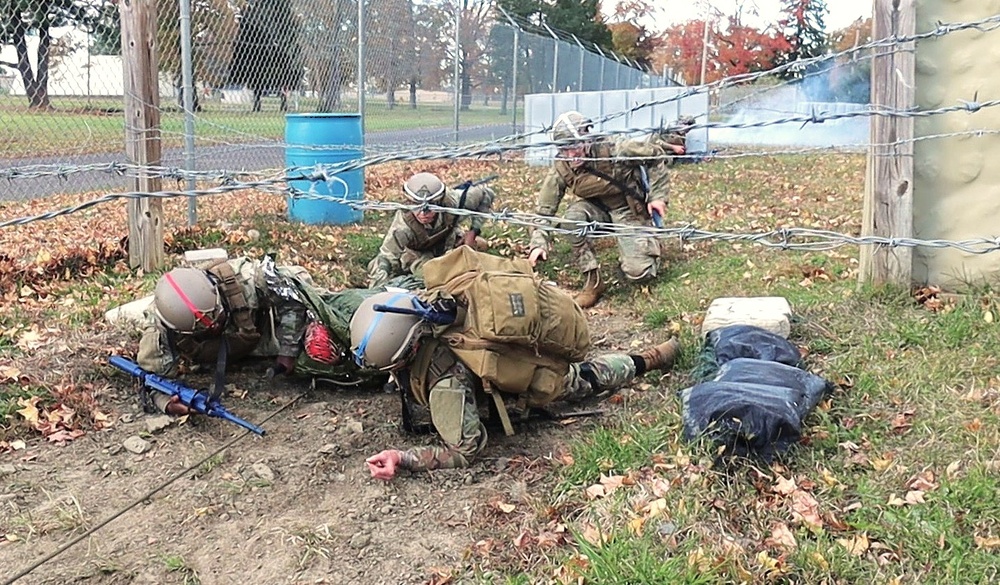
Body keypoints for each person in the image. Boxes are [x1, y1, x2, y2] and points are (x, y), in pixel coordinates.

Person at [353, 291, 681, 480]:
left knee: (582, 378)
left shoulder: (445, 382)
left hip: (528, 374)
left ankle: (647, 359)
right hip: (503, 354)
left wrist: (403, 457)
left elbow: (467, 449)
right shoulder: (429, 311)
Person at [137, 256, 418, 414]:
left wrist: (288, 349)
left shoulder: (246, 279)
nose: (214, 324)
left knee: (324, 345)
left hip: (270, 330)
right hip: (236, 351)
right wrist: (167, 403)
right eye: (204, 327)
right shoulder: (159, 328)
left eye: (217, 315)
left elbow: (294, 299)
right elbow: (152, 377)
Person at [527, 110, 685, 309]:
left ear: (586, 136)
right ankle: (592, 281)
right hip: (596, 210)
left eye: (574, 146)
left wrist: (657, 197)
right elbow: (544, 211)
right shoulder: (561, 167)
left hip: (627, 208)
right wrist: (538, 243)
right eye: (563, 149)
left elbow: (655, 156)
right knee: (572, 218)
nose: (570, 155)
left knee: (639, 273)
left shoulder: (616, 147)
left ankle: (647, 245)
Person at [367, 172, 495, 288]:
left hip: (449, 242)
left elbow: (486, 194)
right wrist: (379, 288)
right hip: (418, 254)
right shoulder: (403, 227)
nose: (423, 213)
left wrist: (473, 232)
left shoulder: (454, 202)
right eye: (416, 206)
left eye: (430, 207)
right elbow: (386, 257)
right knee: (434, 276)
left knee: (481, 245)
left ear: (440, 201)